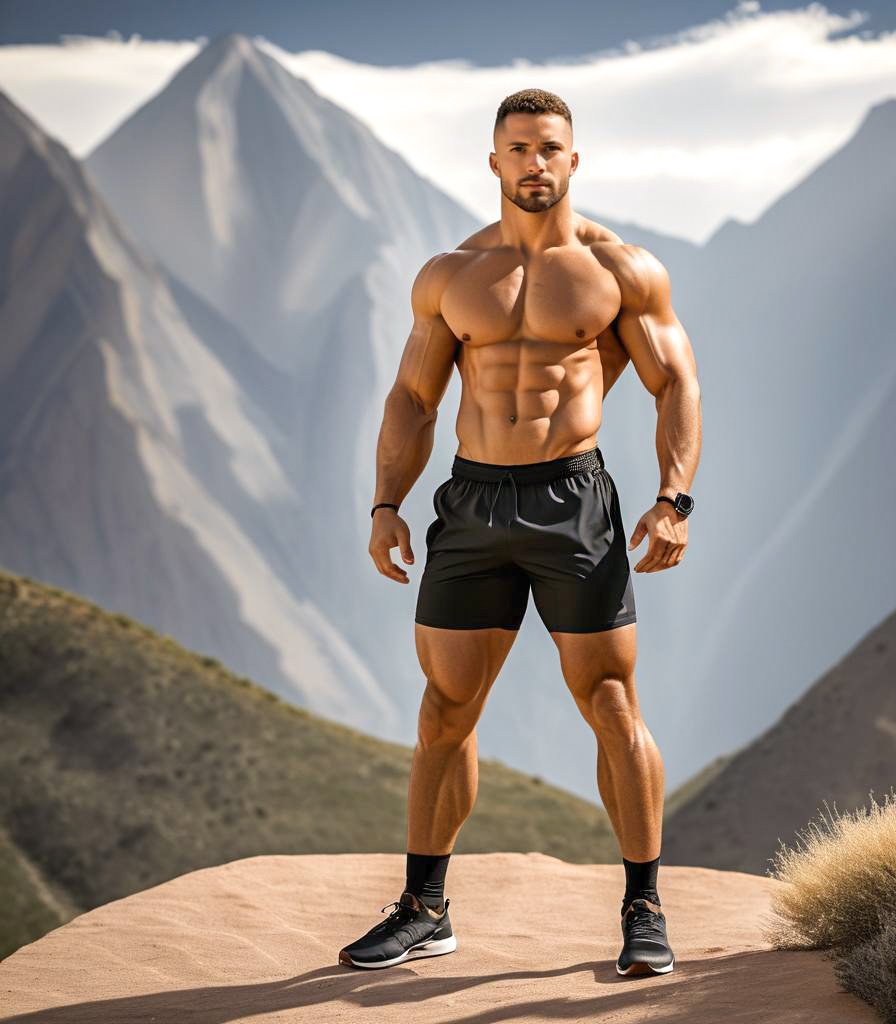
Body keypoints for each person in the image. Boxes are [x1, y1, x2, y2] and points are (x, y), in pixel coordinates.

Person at [339, 87, 701, 977]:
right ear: (493, 161)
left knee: (611, 705)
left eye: (550, 149)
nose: (534, 164)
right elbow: (414, 398)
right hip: (470, 506)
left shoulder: (621, 270)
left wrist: (673, 498)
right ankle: (426, 907)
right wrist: (387, 504)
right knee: (446, 710)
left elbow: (675, 384)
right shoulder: (450, 274)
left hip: (572, 501)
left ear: (573, 160)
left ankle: (644, 907)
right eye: (518, 149)